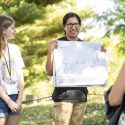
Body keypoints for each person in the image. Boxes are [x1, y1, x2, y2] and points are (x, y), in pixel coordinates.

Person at [46, 12, 106, 125]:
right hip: (63, 97)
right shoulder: (58, 45)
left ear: (80, 26)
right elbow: (49, 72)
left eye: (76, 24)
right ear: (64, 27)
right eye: (69, 24)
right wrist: (50, 52)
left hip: (81, 97)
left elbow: (94, 71)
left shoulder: (86, 47)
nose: (73, 27)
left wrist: (101, 55)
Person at [0, 15, 25, 125]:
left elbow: (20, 76)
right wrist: (9, 101)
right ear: (3, 30)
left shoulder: (15, 48)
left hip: (15, 96)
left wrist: (19, 99)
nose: (15, 30)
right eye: (12, 28)